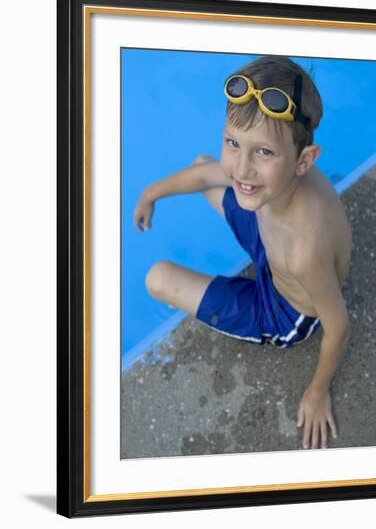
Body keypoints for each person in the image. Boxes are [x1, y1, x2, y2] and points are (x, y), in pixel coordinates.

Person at [133, 55, 352, 450]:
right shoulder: (277, 181)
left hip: (283, 311)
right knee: (204, 166)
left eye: (263, 153)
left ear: (306, 160)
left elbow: (338, 326)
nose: (243, 167)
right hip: (272, 241)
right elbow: (207, 173)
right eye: (233, 143)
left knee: (158, 279)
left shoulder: (304, 250)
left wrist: (317, 392)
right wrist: (151, 194)